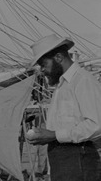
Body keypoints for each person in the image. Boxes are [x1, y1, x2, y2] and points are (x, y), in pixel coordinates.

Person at [27, 34, 101, 181]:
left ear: (59, 58)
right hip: (64, 161)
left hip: (78, 160)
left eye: (44, 64)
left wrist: (53, 135)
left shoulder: (83, 81)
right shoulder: (62, 85)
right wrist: (46, 137)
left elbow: (96, 125)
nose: (42, 70)